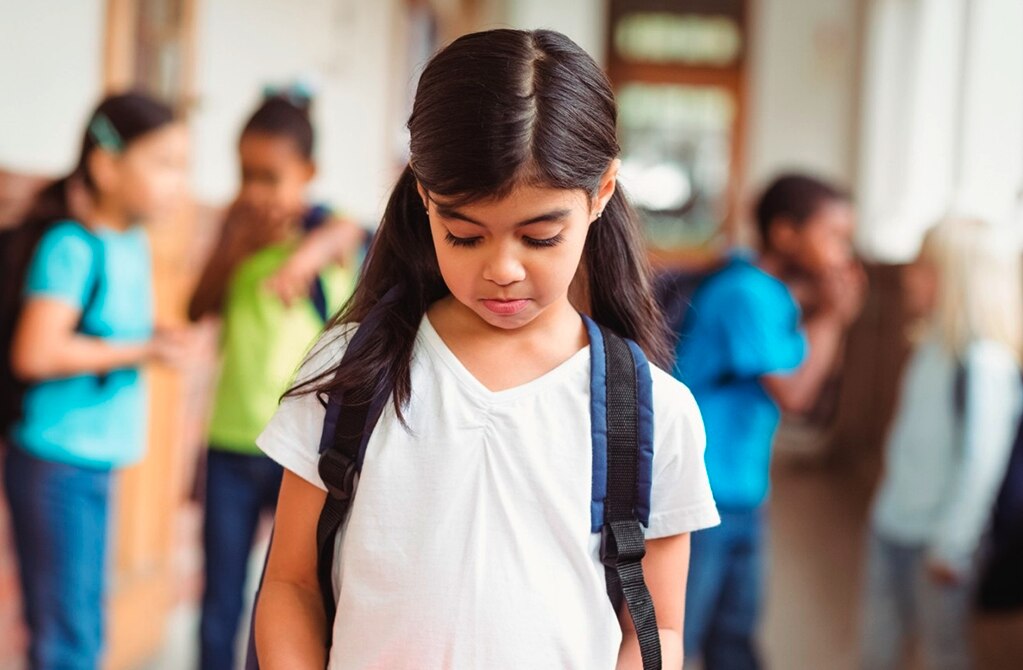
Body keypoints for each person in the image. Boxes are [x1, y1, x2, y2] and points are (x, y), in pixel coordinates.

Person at [250, 29, 719, 669]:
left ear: (602, 193)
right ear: (423, 195)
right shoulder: (352, 370)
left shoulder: (652, 415)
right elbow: (291, 584)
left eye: (540, 236)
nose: (503, 268)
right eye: (464, 235)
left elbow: (654, 629)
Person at [1, 92, 190, 669]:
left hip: (91, 462)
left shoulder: (128, 242)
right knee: (70, 637)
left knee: (75, 624)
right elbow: (35, 352)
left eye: (183, 168)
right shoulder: (71, 246)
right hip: (58, 462)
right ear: (107, 166)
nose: (177, 183)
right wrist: (145, 348)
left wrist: (155, 336)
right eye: (162, 164)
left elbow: (104, 325)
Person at [188, 90, 362, 670]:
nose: (256, 190)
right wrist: (237, 245)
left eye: (271, 175)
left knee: (282, 593)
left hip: (300, 451)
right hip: (231, 443)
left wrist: (304, 255)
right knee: (220, 595)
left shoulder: (328, 234)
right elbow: (197, 306)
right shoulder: (239, 234)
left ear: (308, 174)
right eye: (246, 174)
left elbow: (350, 229)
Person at [675, 174, 865, 669]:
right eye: (833, 236)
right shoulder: (747, 293)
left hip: (740, 490)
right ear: (785, 234)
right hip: (702, 492)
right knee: (679, 636)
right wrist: (833, 317)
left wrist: (824, 315)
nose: (844, 251)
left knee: (733, 637)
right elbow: (799, 394)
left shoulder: (768, 290)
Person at [860, 217, 1023, 670]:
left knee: (942, 652)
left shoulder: (986, 364)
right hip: (892, 522)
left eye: (923, 267)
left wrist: (953, 543)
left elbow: (981, 463)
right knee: (878, 647)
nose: (909, 277)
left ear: (957, 281)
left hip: (939, 543)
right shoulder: (930, 345)